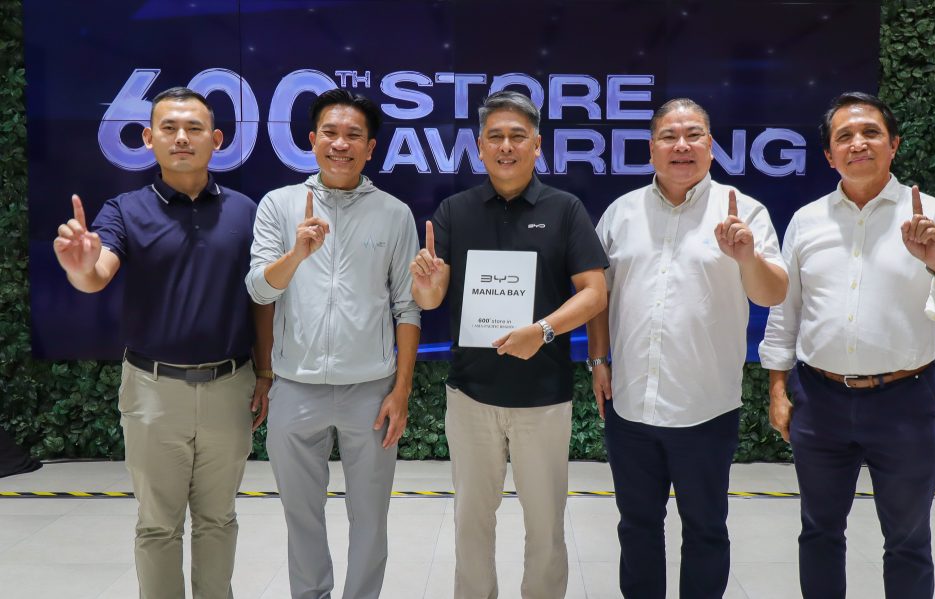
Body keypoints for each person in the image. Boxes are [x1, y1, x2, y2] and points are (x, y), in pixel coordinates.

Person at [759, 91, 935, 599]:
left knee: (908, 539)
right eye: (844, 136)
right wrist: (778, 389)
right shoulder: (807, 220)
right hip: (819, 398)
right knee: (819, 531)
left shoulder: (934, 216)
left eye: (870, 133)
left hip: (903, 400)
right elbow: (785, 311)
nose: (858, 143)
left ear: (894, 145)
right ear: (829, 155)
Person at [52, 86, 271, 598]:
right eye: (169, 128)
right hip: (152, 390)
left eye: (194, 128)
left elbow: (263, 299)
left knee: (218, 519)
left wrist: (264, 372)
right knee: (157, 526)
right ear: (148, 139)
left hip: (229, 385)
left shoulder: (245, 211)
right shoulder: (125, 210)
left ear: (217, 139)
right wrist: (80, 266)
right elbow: (97, 273)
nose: (182, 138)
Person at [585, 98, 788, 598]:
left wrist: (747, 257)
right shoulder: (620, 213)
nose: (682, 145)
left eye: (693, 135)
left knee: (705, 529)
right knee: (636, 527)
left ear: (711, 146)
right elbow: (597, 296)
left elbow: (772, 294)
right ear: (651, 148)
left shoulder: (744, 212)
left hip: (706, 408)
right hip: (630, 404)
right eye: (669, 136)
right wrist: (599, 359)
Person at [409, 90, 607, 599]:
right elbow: (430, 299)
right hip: (471, 395)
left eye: (517, 136)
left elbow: (595, 292)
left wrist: (542, 331)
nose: (505, 146)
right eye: (494, 136)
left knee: (546, 528)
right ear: (479, 146)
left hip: (543, 398)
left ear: (537, 145)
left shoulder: (565, 209)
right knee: (471, 524)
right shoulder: (455, 211)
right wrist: (426, 283)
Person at [246, 88, 421, 599]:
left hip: (370, 390)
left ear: (370, 148)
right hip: (295, 388)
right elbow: (259, 290)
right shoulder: (279, 205)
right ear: (312, 139)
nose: (340, 144)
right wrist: (298, 253)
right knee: (301, 516)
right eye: (330, 133)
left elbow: (407, 307)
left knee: (371, 516)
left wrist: (401, 391)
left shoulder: (394, 213)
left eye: (353, 136)